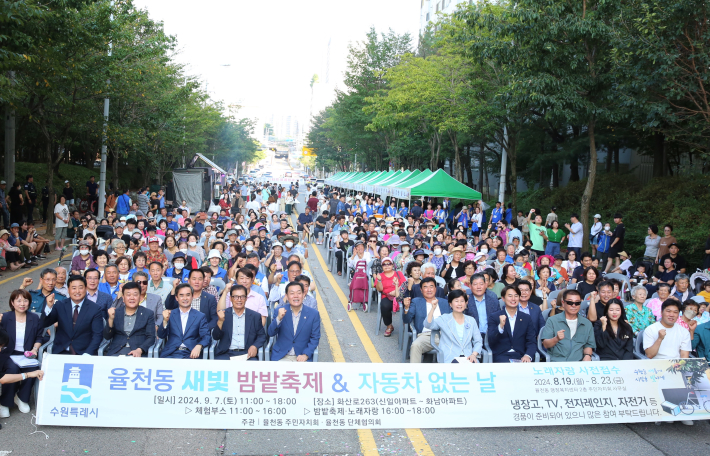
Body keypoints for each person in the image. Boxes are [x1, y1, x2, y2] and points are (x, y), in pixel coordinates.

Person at [0, 290, 43, 418]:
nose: (22, 304)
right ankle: (5, 402)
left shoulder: (34, 318)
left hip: (26, 354)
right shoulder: (6, 317)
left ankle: (21, 398)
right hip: (8, 353)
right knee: (11, 369)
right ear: (12, 303)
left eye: (25, 300)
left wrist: (35, 349)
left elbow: (39, 337)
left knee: (33, 367)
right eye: (18, 300)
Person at [40, 275, 104, 355]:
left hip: (84, 353)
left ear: (86, 288)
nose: (77, 291)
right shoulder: (60, 305)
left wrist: (88, 353)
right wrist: (48, 306)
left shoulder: (95, 308)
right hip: (61, 351)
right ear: (68, 290)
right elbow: (45, 323)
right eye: (73, 288)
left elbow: (97, 335)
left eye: (80, 288)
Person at [423, 290, 482, 363]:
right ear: (450, 304)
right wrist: (433, 308)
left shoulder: (471, 320)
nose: (459, 304)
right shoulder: (444, 319)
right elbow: (428, 325)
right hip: (450, 356)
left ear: (466, 303)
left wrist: (473, 354)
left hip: (468, 356)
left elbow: (478, 341)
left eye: (462, 301)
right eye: (456, 301)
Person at [267, 281, 321, 362]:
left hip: (302, 356)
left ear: (303, 295)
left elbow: (315, 338)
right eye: (292, 293)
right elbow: (271, 333)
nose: (296, 296)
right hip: (281, 356)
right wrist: (278, 319)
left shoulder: (314, 314)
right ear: (287, 296)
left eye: (299, 293)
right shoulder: (279, 310)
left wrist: (306, 354)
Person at [402, 278, 451, 363]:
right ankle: (415, 374)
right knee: (416, 345)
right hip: (426, 336)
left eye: (431, 287)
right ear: (421, 290)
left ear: (435, 288)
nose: (429, 290)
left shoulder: (445, 302)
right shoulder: (416, 302)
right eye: (425, 287)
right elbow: (407, 320)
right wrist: (406, 308)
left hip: (445, 335)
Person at [212, 284, 266, 360]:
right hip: (226, 353)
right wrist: (220, 321)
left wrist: (255, 346)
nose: (239, 300)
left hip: (247, 354)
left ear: (246, 298)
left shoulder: (255, 316)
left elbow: (262, 336)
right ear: (231, 298)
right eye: (236, 297)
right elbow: (216, 337)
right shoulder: (224, 315)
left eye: (242, 297)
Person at [158, 283, 210, 359]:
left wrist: (199, 346)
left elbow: (206, 336)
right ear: (176, 298)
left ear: (192, 296)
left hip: (191, 353)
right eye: (181, 295)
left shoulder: (200, 316)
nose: (185, 298)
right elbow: (161, 335)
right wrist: (165, 321)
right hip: (171, 353)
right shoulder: (170, 314)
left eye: (188, 295)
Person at [541, 289, 596, 361]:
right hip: (557, 362)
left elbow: (589, 345)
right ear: (563, 303)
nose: (574, 305)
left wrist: (587, 355)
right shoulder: (552, 320)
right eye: (570, 302)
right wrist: (556, 339)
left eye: (577, 303)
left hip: (578, 362)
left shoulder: (587, 323)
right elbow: (545, 344)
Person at [103, 282, 156, 357]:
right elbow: (107, 336)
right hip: (116, 351)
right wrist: (111, 320)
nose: (132, 298)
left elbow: (151, 338)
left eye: (135, 294)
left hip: (137, 352)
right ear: (123, 298)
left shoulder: (148, 313)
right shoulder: (116, 313)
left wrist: (140, 350)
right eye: (128, 295)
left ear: (140, 297)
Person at [487, 285, 537, 362]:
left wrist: (528, 355)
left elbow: (531, 341)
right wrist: (500, 327)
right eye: (510, 296)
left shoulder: (526, 318)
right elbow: (491, 340)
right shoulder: (495, 317)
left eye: (516, 296)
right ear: (503, 298)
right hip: (501, 355)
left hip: (521, 355)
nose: (513, 299)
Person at [374, 257, 405, 337]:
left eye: (389, 264)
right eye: (384, 264)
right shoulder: (380, 275)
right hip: (386, 296)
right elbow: (379, 289)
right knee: (384, 305)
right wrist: (379, 280)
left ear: (392, 265)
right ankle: (389, 326)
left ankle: (407, 326)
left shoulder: (398, 273)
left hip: (399, 295)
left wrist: (396, 291)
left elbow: (404, 285)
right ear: (382, 266)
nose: (387, 266)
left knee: (409, 304)